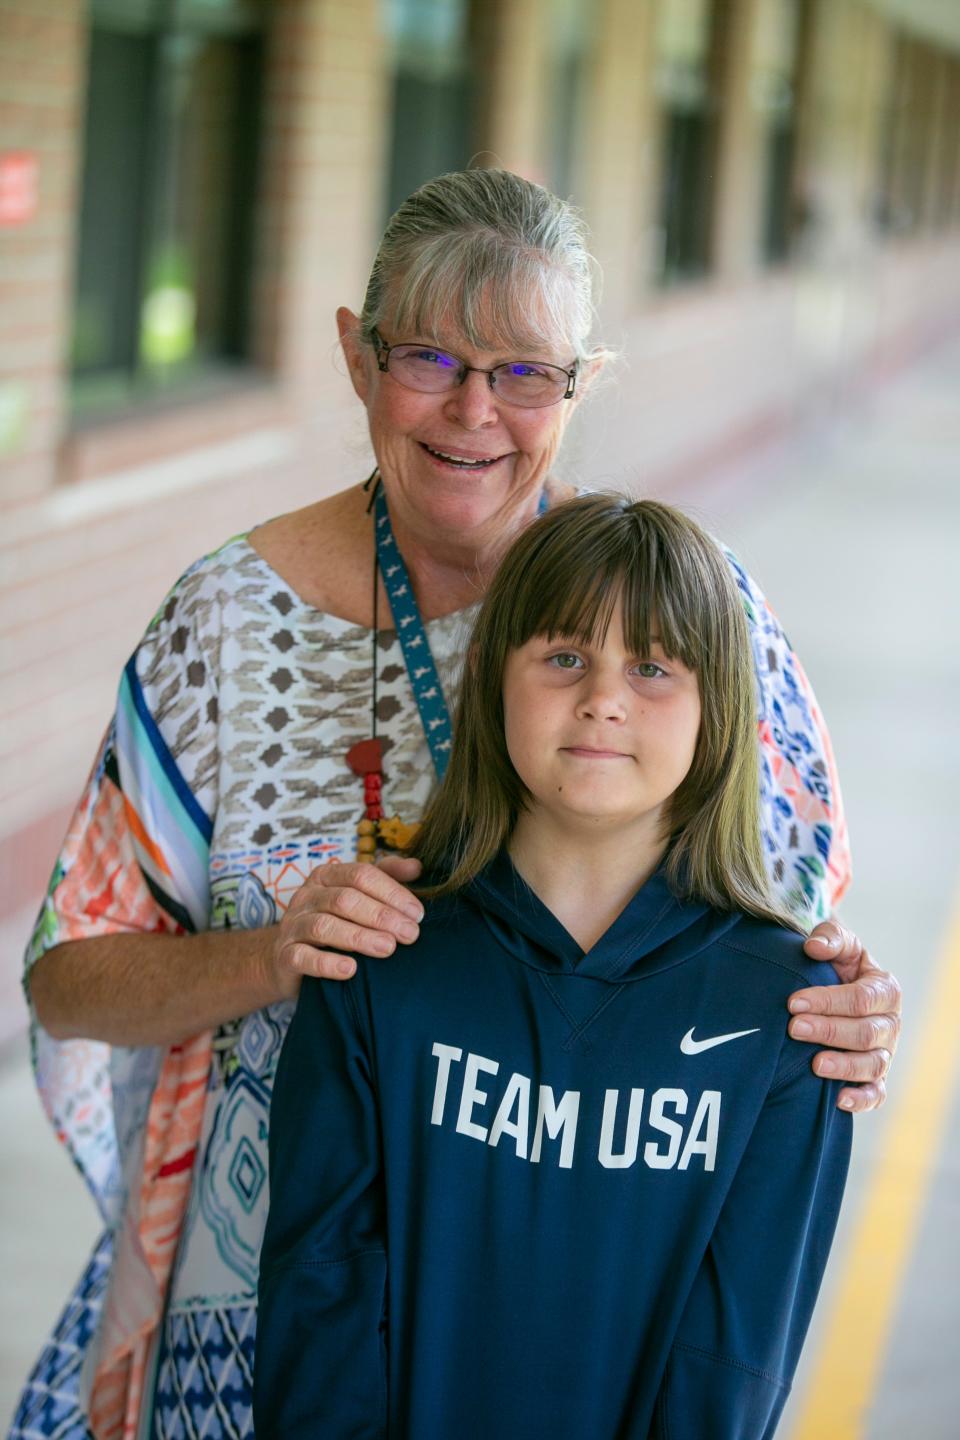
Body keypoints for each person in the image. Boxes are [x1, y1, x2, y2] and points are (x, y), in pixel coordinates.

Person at [14, 169, 896, 1440]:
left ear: (583, 383)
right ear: (352, 357)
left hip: (554, 1314)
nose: (475, 410)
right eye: (428, 355)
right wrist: (275, 954)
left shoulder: (691, 622)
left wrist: (850, 1009)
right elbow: (66, 981)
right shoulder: (225, 628)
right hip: (252, 1314)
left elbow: (784, 949)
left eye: (526, 371)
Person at [254, 493, 853, 1439]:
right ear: (496, 682)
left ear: (720, 712)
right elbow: (318, 1298)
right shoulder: (380, 959)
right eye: (565, 656)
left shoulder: (787, 1015)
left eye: (653, 667)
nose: (604, 697)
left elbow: (733, 1355)